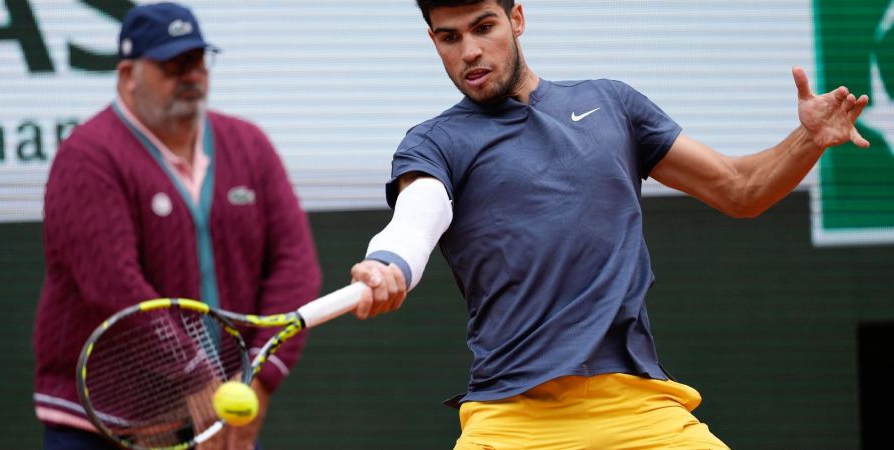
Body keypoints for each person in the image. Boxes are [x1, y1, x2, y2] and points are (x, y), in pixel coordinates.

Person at [348, 1, 870, 448]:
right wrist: (389, 261)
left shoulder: (611, 106)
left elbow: (741, 190)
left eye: (484, 27)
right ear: (434, 41)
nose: (469, 53)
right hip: (510, 419)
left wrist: (810, 140)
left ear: (517, 19)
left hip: (639, 409)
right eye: (449, 37)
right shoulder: (435, 142)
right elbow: (419, 215)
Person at [31, 2, 321, 449]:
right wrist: (197, 381)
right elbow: (113, 286)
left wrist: (258, 381)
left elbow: (295, 264)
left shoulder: (249, 145)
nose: (190, 75)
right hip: (102, 426)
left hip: (223, 413)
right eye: (171, 64)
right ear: (128, 75)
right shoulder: (87, 156)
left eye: (197, 61)